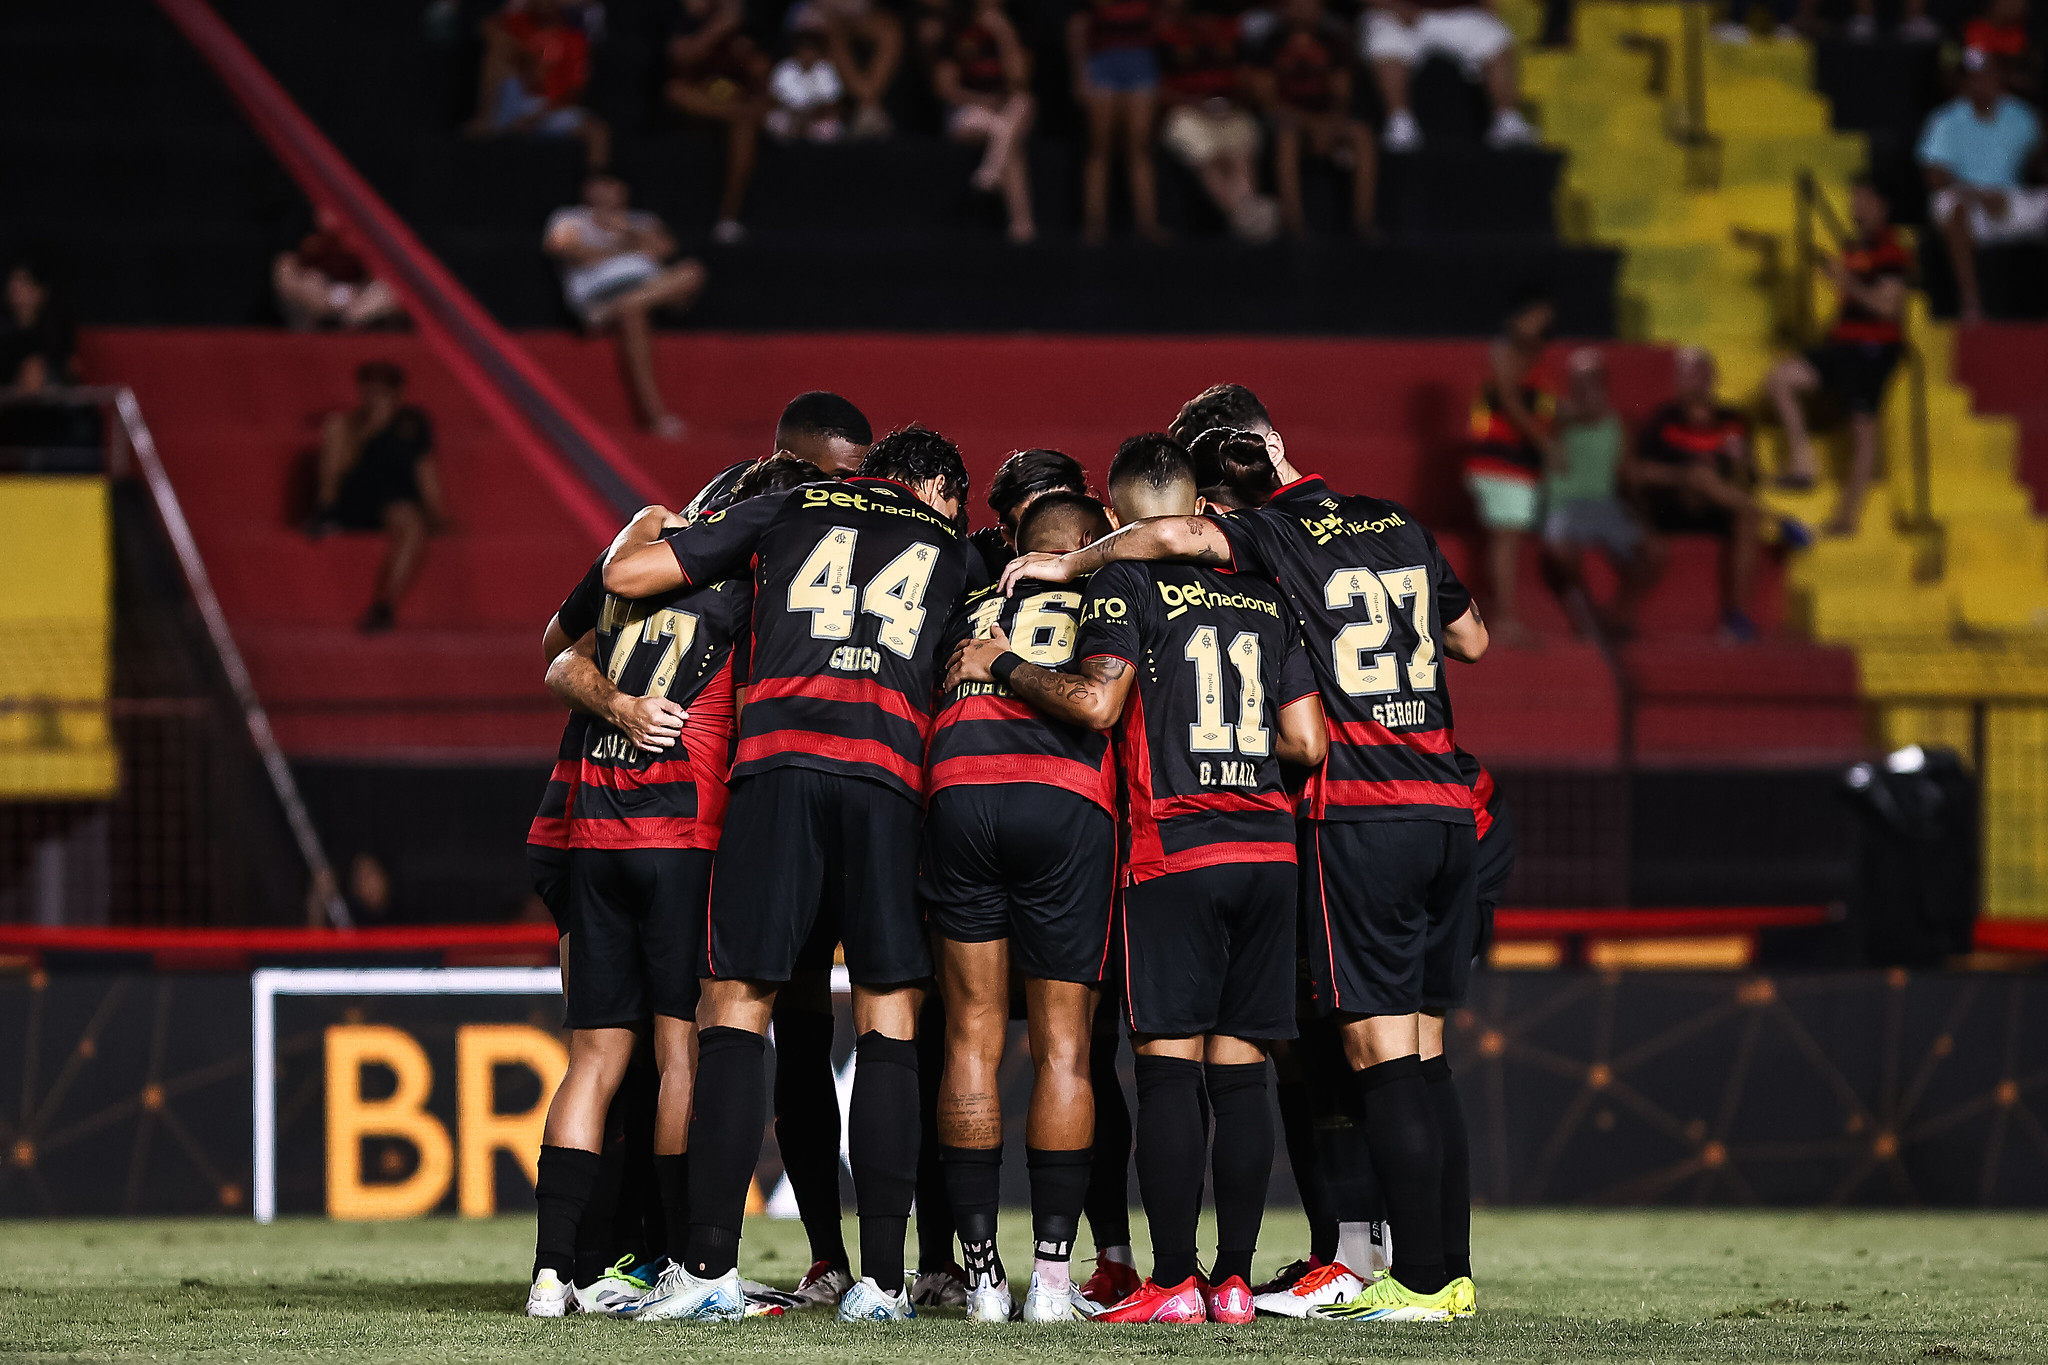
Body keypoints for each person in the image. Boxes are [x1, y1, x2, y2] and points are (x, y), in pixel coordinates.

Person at [1001, 382, 1490, 1323]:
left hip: (1357, 812)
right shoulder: (1396, 519)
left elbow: (1176, 539)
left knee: (1372, 1051)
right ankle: (1448, 1269)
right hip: (1445, 804)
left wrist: (1074, 564)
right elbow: (1469, 637)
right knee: (1426, 1053)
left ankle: (1415, 1280)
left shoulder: (1269, 540)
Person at [604, 426, 975, 1325]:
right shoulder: (952, 549)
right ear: (928, 487)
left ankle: (707, 1271)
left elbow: (627, 579)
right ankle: (882, 1285)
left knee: (738, 1003)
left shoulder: (791, 504)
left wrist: (656, 524)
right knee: (889, 1010)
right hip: (890, 775)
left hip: (777, 765)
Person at [956, 433, 1327, 1325]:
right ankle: (1234, 1283)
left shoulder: (1122, 582)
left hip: (1177, 850)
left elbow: (1098, 702)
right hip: (1268, 851)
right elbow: (1308, 742)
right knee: (1240, 1074)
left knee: (1167, 1072)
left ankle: (1171, 1282)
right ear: (1198, 511)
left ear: (1117, 516)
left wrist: (998, 663)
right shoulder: (1268, 594)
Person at [524, 498, 752, 1319]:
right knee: (679, 1055)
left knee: (592, 1059)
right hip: (683, 838)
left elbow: (556, 657)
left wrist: (616, 704)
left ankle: (554, 1274)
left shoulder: (628, 591)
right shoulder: (750, 590)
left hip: (594, 836)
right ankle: (667, 1259)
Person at [921, 491, 1124, 1323]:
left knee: (969, 1035)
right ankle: (1049, 1279)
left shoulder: (971, 603)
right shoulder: (1106, 591)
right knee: (1063, 1049)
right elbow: (1101, 702)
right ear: (1080, 543)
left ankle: (979, 1278)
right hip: (1063, 800)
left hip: (958, 791)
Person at [1765, 175, 1909, 536]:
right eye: (1853, 197)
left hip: (1872, 349)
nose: (1855, 204)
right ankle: (1804, 466)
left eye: (1863, 197)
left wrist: (1847, 284)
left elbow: (1889, 306)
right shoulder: (1853, 247)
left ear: (1882, 206)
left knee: (1862, 430)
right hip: (1840, 344)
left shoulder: (1892, 252)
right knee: (1779, 379)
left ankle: (1847, 518)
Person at [1637, 347, 1809, 642]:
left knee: (1746, 516)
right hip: (1675, 505)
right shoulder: (1664, 418)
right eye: (1685, 374)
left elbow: (1751, 479)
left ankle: (1738, 619)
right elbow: (1638, 471)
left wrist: (1742, 462)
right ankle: (1780, 520)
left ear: (1711, 377)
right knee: (1700, 476)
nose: (1691, 381)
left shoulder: (1734, 420)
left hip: (1721, 505)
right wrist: (1683, 475)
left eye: (1698, 373)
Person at [543, 174, 707, 440]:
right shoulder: (570, 218)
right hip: (598, 290)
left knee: (692, 272)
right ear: (588, 189)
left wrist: (624, 231)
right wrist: (628, 248)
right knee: (636, 314)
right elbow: (564, 248)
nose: (608, 191)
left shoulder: (640, 220)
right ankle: (656, 417)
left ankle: (614, 309)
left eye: (614, 185)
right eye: (601, 184)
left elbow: (665, 248)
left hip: (643, 288)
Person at [307, 361, 446, 634]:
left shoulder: (412, 423)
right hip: (354, 499)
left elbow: (424, 468)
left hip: (395, 502)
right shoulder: (346, 426)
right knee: (334, 426)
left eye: (383, 391)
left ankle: (384, 605)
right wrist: (371, 428)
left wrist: (438, 513)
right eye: (370, 390)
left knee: (410, 521)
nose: (375, 397)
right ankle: (323, 515)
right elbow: (341, 469)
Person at [1539, 348, 1661, 641]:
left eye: (1592, 379)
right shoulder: (1556, 414)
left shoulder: (1616, 423)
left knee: (1656, 551)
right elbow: (1573, 415)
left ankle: (1619, 614)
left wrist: (1641, 512)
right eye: (1580, 379)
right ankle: (1585, 611)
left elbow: (1626, 472)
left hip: (1604, 505)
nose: (1586, 386)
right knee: (1558, 549)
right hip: (1564, 504)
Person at [1919, 48, 2046, 325]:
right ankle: (1971, 304)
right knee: (1952, 206)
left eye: (1987, 76)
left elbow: (2039, 158)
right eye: (1974, 78)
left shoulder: (2021, 115)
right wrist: (1977, 194)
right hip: (1969, 202)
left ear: (1998, 78)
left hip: (2010, 201)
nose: (1981, 84)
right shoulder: (1946, 120)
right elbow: (1935, 178)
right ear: (1964, 84)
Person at [1463, 290, 1556, 648]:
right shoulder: (1506, 354)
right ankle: (1504, 619)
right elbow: (1512, 404)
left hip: (1516, 465)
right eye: (1535, 317)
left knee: (1509, 539)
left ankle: (1504, 616)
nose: (1542, 326)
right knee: (1506, 539)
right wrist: (1545, 443)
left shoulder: (1532, 359)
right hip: (1499, 462)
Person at [1246, 0, 1379, 238]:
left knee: (1361, 134)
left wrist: (1329, 122)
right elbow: (1267, 100)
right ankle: (1295, 226)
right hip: (1286, 121)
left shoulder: (1333, 42)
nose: (1305, 8)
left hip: (1327, 120)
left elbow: (1342, 94)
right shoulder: (1270, 44)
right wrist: (1311, 123)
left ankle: (1363, 224)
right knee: (1288, 134)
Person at [1155, 0, 1278, 241]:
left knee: (1240, 159)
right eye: (1201, 17)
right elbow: (1157, 89)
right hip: (1187, 112)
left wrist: (1238, 95)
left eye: (1211, 17)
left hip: (1228, 111)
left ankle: (1246, 220)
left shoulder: (1230, 36)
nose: (1206, 23)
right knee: (1210, 161)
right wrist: (1193, 102)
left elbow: (1247, 80)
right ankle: (1248, 221)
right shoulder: (1169, 38)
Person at [1363, 0, 1538, 153]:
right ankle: (1399, 125)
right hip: (1398, 12)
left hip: (1458, 12)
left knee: (1496, 38)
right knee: (1385, 41)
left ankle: (1507, 121)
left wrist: (1489, 11)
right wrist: (1394, 6)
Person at [932, 0, 1038, 243]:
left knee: (1023, 104)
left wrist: (1004, 35)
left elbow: (1019, 80)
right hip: (968, 113)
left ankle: (990, 175)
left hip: (1004, 113)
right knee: (1008, 139)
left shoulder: (1015, 30)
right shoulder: (957, 31)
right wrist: (982, 100)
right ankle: (1022, 225)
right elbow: (945, 88)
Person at [666, 0, 771, 245]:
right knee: (676, 93)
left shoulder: (749, 21)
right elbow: (682, 56)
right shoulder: (689, 18)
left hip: (733, 98)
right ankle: (744, 113)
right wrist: (720, 27)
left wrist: (748, 58)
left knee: (745, 124)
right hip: (698, 101)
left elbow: (759, 69)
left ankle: (728, 216)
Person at [469, 0, 611, 169]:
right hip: (516, 103)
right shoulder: (520, 25)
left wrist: (537, 117)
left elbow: (574, 90)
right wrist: (524, 54)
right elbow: (485, 27)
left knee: (597, 132)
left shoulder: (574, 40)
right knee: (496, 57)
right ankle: (486, 120)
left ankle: (596, 185)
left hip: (551, 110)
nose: (545, 4)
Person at [1069, 0, 1165, 244]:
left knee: (1140, 147)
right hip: (1103, 62)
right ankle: (1094, 225)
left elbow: (1165, 16)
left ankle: (1147, 224)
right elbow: (1077, 25)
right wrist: (1080, 73)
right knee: (1100, 147)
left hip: (1141, 62)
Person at [965, 446, 1089, 579]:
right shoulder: (981, 558)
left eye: (1064, 515)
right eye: (1038, 527)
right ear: (1010, 539)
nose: (1058, 537)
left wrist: (1070, 565)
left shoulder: (1111, 538)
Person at [787, 0, 905, 137]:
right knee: (834, 32)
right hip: (821, 16)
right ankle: (868, 104)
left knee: (890, 31)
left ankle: (867, 102)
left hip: (858, 14)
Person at [272, 211, 405, 331]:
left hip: (367, 339)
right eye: (327, 238)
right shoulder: (290, 268)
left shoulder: (373, 268)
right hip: (312, 343)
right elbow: (321, 305)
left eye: (343, 234)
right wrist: (345, 298)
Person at [0, 263, 74, 394]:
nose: (15, 286)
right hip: (9, 397)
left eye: (24, 281)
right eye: (12, 280)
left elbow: (68, 370)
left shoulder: (54, 328)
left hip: (50, 398)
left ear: (41, 290)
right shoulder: (5, 330)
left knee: (34, 369)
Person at [766, 25, 848, 141]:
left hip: (816, 117)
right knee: (776, 122)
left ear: (818, 52)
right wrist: (794, 114)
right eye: (804, 50)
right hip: (790, 115)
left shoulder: (825, 69)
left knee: (830, 128)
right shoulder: (785, 68)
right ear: (796, 51)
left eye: (811, 50)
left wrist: (810, 115)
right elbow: (773, 98)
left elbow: (833, 102)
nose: (807, 55)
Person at [1965, 0, 2037, 98]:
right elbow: (1974, 68)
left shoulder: (2020, 35)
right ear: (1995, 4)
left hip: (2013, 96)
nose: (2020, 7)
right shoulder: (1975, 30)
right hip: (1978, 91)